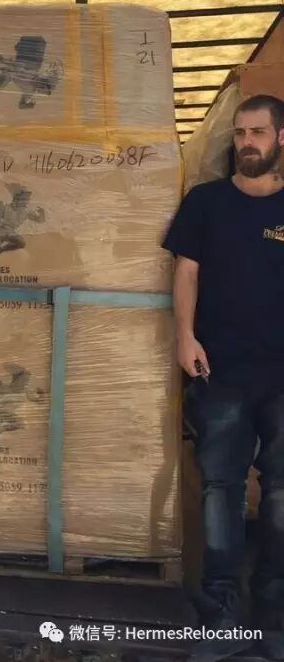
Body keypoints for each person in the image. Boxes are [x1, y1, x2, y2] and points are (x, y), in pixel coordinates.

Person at [162, 94, 284, 662]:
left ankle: (273, 605)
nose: (246, 143)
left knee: (281, 490)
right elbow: (186, 272)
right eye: (239, 133)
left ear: (280, 138)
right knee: (221, 489)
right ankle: (220, 611)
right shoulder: (206, 202)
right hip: (220, 370)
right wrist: (184, 337)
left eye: (257, 132)